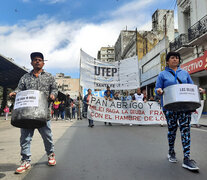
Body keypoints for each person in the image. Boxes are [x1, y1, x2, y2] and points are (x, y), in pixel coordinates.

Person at [9, 52, 58, 174]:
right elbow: (19, 88)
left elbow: (55, 89)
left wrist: (53, 95)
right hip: (26, 115)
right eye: (35, 60)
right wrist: (15, 93)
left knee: (47, 136)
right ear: (31, 62)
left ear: (43, 63)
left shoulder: (49, 77)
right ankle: (25, 161)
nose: (37, 61)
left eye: (40, 60)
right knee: (25, 138)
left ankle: (51, 155)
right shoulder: (25, 77)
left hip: (43, 114)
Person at [155, 51, 204, 171]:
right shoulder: (162, 75)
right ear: (167, 61)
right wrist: (159, 90)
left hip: (184, 107)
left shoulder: (185, 73)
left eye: (177, 58)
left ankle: (187, 159)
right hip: (170, 107)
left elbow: (191, 87)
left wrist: (198, 90)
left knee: (185, 130)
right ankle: (171, 151)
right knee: (172, 131)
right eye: (172, 58)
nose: (175, 59)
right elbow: (157, 88)